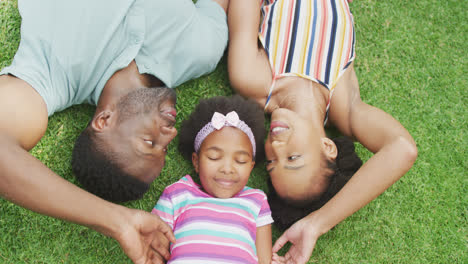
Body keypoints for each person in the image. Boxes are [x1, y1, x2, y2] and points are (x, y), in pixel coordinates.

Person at [0, 0, 228, 263]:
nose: (170, 134)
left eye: (148, 141)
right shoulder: (201, 51)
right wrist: (119, 221)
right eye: (163, 148)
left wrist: (114, 219)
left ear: (104, 120)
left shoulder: (51, 72)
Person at [227, 0, 418, 263]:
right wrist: (317, 224)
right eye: (293, 158)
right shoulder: (345, 107)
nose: (275, 146)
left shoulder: (251, 77)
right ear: (328, 147)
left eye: (271, 162)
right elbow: (402, 148)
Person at [152, 95, 274, 263]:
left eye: (240, 161)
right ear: (196, 161)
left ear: (251, 167)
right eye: (214, 157)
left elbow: (264, 259)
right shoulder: (177, 194)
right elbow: (155, 250)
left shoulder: (256, 201)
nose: (227, 169)